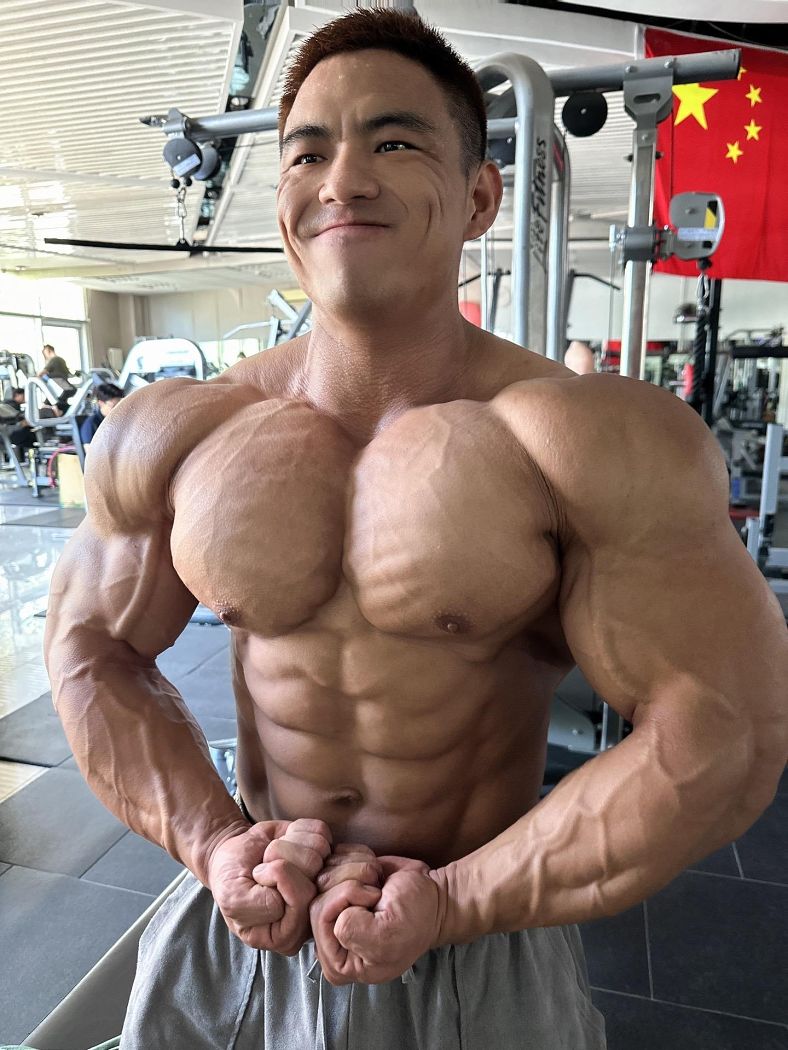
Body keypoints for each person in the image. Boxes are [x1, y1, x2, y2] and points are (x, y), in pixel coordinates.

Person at [44, 10, 787, 1050]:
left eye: (393, 142)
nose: (342, 180)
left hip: (474, 938)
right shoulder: (177, 431)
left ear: (480, 197)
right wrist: (213, 845)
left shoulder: (592, 440)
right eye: (309, 152)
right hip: (244, 918)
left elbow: (725, 732)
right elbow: (88, 650)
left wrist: (454, 901)